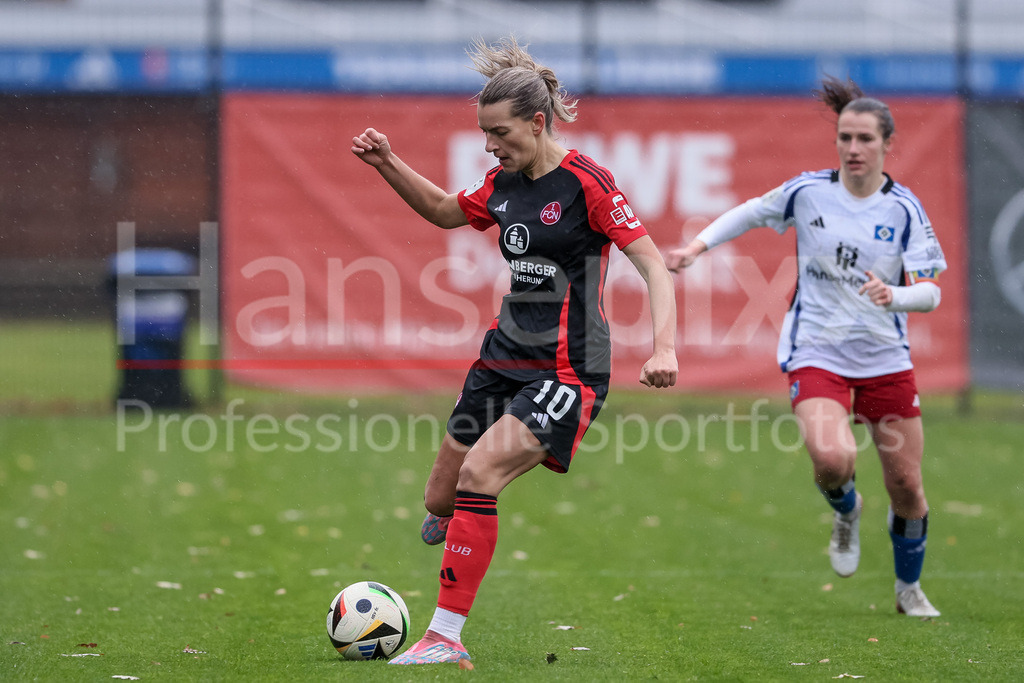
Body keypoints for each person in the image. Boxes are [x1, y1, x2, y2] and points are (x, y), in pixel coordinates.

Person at [351, 36, 678, 666]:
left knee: (481, 476)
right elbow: (448, 212)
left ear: (537, 121)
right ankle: (457, 523)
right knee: (440, 497)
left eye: (499, 133)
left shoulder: (587, 184)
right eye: (484, 134)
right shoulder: (503, 182)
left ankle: (444, 637)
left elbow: (654, 266)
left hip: (568, 370)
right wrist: (387, 161)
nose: (490, 146)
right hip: (499, 360)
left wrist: (664, 348)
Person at [666, 76, 945, 618]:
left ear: (887, 144)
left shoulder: (904, 209)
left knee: (908, 486)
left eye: (865, 139)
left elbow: (932, 293)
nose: (853, 149)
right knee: (831, 458)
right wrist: (697, 246)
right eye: (845, 137)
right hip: (817, 352)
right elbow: (749, 211)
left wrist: (897, 296)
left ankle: (908, 591)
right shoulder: (808, 192)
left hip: (886, 361)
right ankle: (846, 510)